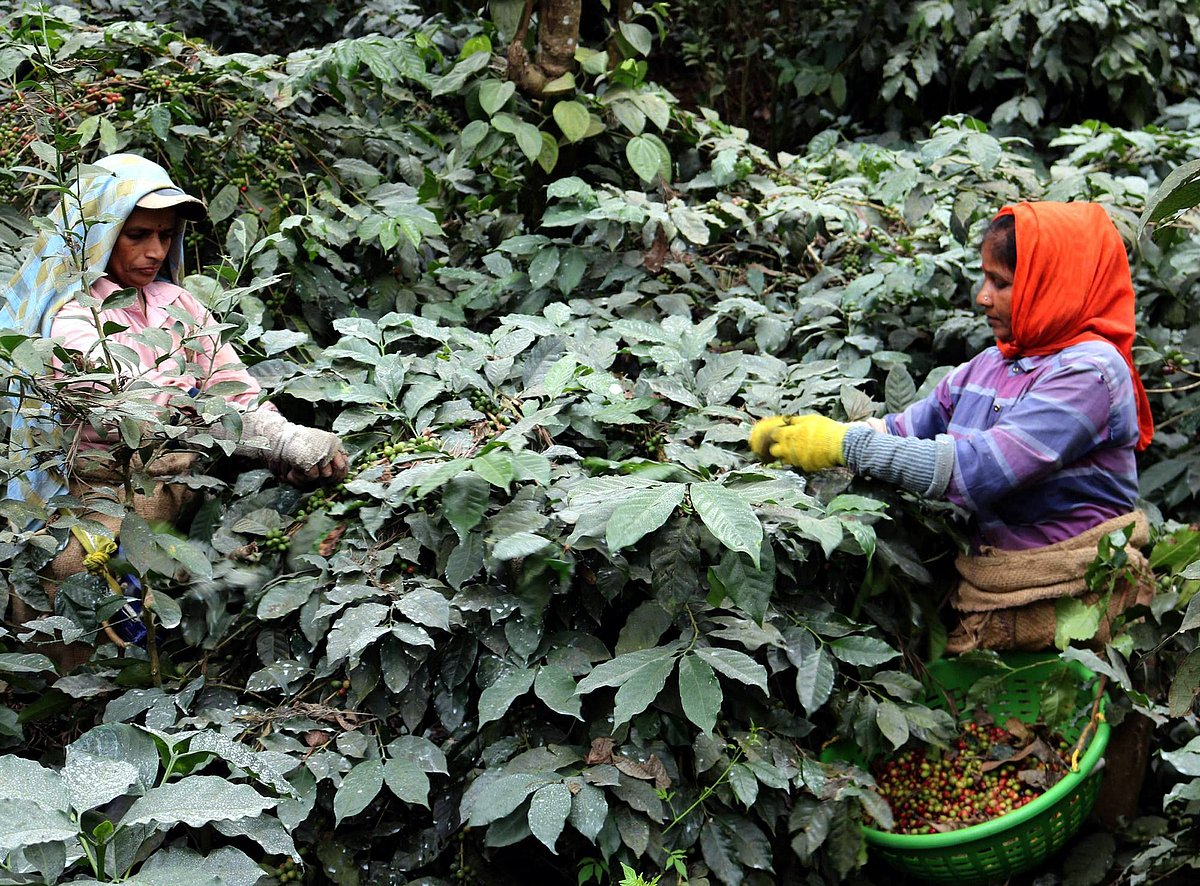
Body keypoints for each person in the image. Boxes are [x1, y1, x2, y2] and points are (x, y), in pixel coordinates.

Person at [750, 201, 1155, 653]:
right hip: (986, 588)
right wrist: (799, 435)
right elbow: (905, 429)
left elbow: (976, 470)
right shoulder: (993, 363)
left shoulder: (1092, 373)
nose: (983, 296)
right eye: (985, 279)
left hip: (1071, 595)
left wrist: (843, 443)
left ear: (1052, 284)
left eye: (1000, 283)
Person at [1, 153, 346, 662]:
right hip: (99, 499)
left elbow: (234, 392)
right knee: (85, 622)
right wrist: (253, 432)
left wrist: (288, 444)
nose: (156, 250)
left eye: (165, 235)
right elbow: (123, 412)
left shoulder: (181, 305)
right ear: (96, 236)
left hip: (183, 494)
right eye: (138, 234)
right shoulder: (73, 317)